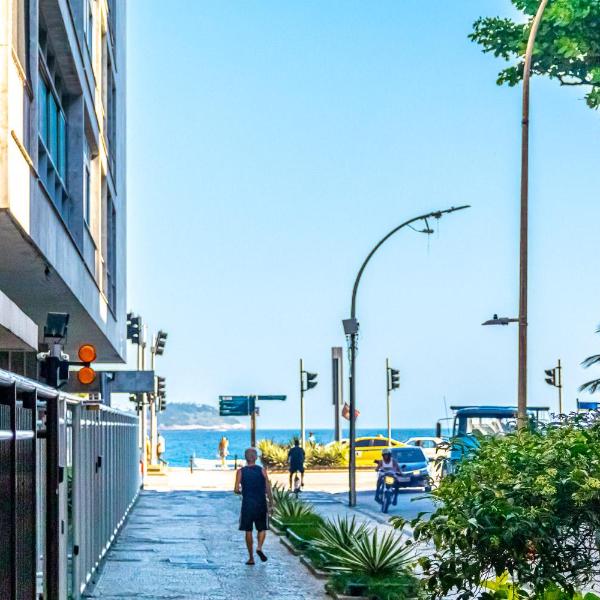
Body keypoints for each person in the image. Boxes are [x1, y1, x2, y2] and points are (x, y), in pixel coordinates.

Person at [234, 447, 273, 565]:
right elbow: (268, 488)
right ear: (255, 458)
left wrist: (243, 492)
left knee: (248, 530)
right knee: (262, 528)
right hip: (260, 502)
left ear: (246, 458)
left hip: (247, 504)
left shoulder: (240, 471)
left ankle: (251, 558)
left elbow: (236, 489)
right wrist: (271, 502)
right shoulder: (262, 470)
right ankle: (259, 547)